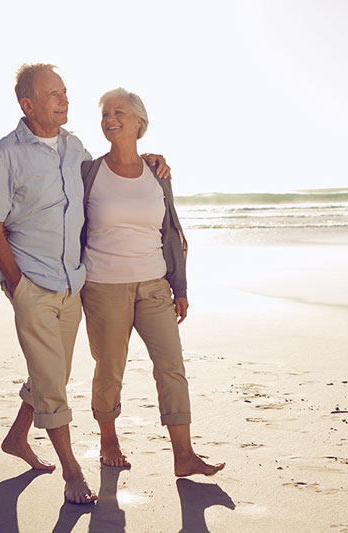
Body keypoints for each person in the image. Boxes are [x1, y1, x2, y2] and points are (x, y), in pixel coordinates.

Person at [0, 64, 169, 504]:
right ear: (28, 105)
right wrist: (19, 285)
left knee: (52, 371)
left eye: (65, 92)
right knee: (53, 380)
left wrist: (149, 158)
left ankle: (17, 439)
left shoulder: (74, 147)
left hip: (72, 281)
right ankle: (72, 473)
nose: (64, 100)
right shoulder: (0, 157)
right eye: (52, 95)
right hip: (32, 283)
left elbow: (112, 173)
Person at [80, 88, 225, 477]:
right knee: (110, 368)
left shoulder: (158, 174)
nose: (111, 118)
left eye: (119, 112)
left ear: (139, 122)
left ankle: (184, 455)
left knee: (171, 366)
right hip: (103, 285)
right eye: (106, 113)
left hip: (155, 285)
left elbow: (171, 233)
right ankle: (108, 438)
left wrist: (180, 287)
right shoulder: (88, 173)